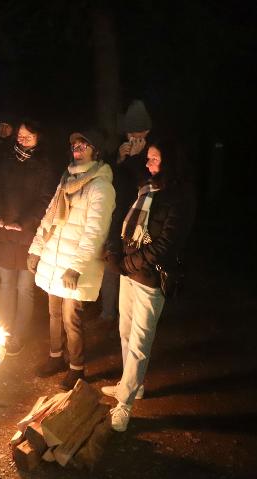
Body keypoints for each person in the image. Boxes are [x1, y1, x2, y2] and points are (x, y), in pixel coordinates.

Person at [101, 137, 196, 431]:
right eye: (149, 158)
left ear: (168, 163)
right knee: (125, 330)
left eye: (154, 159)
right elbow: (125, 217)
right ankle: (132, 384)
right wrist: (117, 254)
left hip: (151, 277)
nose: (148, 163)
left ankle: (125, 403)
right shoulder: (146, 188)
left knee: (140, 341)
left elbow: (167, 244)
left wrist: (129, 262)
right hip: (131, 271)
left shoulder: (179, 197)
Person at [28, 129, 115, 390]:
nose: (77, 148)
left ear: (95, 151)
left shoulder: (100, 186)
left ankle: (77, 368)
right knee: (53, 313)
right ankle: (56, 357)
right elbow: (49, 216)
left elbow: (95, 231)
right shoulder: (67, 179)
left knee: (71, 317)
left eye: (84, 145)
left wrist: (75, 266)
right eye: (75, 144)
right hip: (55, 256)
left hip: (74, 263)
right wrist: (36, 248)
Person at [0, 119, 52, 356]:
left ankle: (18, 336)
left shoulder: (44, 165)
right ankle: (3, 332)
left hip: (27, 235)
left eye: (29, 136)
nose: (23, 139)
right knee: (6, 285)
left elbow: (45, 199)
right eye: (21, 135)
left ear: (38, 138)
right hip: (5, 234)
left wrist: (23, 222)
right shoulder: (6, 161)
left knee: (24, 288)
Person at [97, 100, 154, 330]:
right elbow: (109, 177)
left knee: (130, 265)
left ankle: (128, 315)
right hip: (116, 214)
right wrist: (118, 159)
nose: (133, 137)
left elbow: (145, 184)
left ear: (147, 132)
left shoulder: (153, 154)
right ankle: (107, 311)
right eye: (130, 132)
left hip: (139, 220)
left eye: (138, 133)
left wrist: (134, 159)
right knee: (111, 260)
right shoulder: (120, 148)